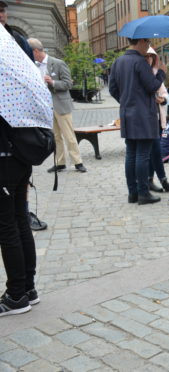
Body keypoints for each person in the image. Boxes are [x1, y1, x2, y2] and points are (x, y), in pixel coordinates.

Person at [0, 25, 52, 316]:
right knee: (19, 220)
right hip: (18, 152)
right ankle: (28, 289)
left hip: (4, 155)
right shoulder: (13, 53)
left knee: (7, 226)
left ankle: (17, 294)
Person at [109, 38, 166, 205]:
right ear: (141, 42)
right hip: (143, 115)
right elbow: (152, 86)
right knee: (142, 154)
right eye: (147, 44)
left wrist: (126, 101)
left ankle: (132, 193)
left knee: (131, 153)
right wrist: (161, 72)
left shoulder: (118, 61)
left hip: (127, 113)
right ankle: (143, 193)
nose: (148, 47)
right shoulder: (140, 62)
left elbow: (112, 88)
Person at [27, 38, 87, 174]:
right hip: (46, 107)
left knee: (69, 135)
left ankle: (78, 162)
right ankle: (60, 163)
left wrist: (53, 82)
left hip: (61, 104)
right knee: (55, 136)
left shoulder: (58, 63)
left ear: (35, 51)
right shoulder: (33, 66)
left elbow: (68, 84)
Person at [144, 47, 169, 194]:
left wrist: (162, 99)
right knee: (155, 151)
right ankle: (161, 181)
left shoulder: (155, 73)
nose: (149, 60)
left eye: (151, 57)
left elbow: (164, 92)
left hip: (158, 118)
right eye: (146, 57)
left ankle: (151, 180)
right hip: (147, 119)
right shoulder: (144, 74)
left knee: (155, 151)